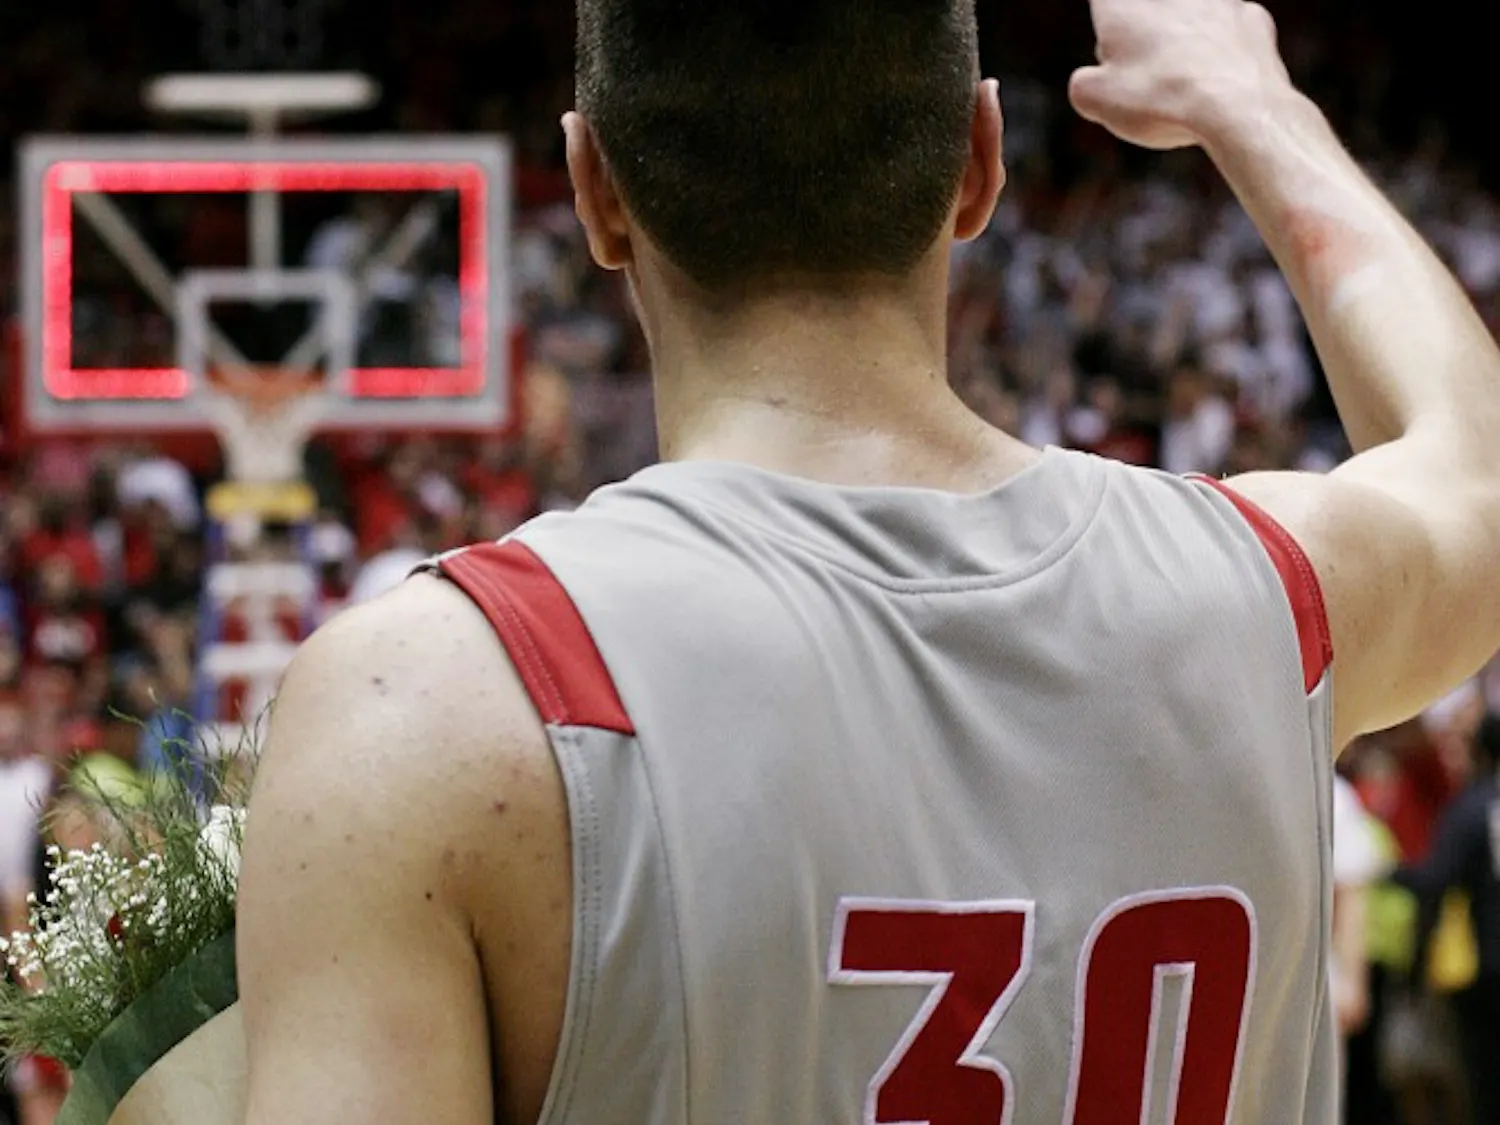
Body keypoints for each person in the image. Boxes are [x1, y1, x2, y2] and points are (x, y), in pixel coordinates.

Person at [237, 0, 1500, 1122]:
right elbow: (1477, 470)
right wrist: (1253, 108)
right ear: (981, 161)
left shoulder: (424, 709)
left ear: (595, 193)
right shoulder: (1270, 593)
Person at [1394, 713, 1500, 1123]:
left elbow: (1436, 879)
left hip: (1486, 972)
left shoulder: (1471, 807)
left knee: (1484, 1078)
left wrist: (1388, 870)